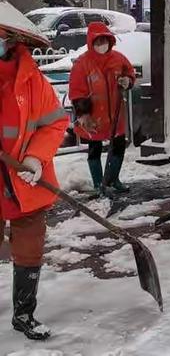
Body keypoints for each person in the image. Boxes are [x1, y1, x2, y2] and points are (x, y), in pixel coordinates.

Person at [0, 29, 69, 340]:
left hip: (24, 179)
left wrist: (35, 158)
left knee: (29, 249)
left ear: (12, 42)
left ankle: (24, 313)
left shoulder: (33, 80)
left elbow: (55, 121)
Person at [69, 22, 135, 196]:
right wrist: (83, 114)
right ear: (91, 43)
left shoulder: (118, 59)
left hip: (115, 113)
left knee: (118, 146)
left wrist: (127, 81)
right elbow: (77, 91)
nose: (101, 46)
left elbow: (130, 73)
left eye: (104, 41)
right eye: (97, 43)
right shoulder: (82, 63)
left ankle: (113, 179)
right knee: (94, 148)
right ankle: (99, 183)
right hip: (93, 116)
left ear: (110, 41)